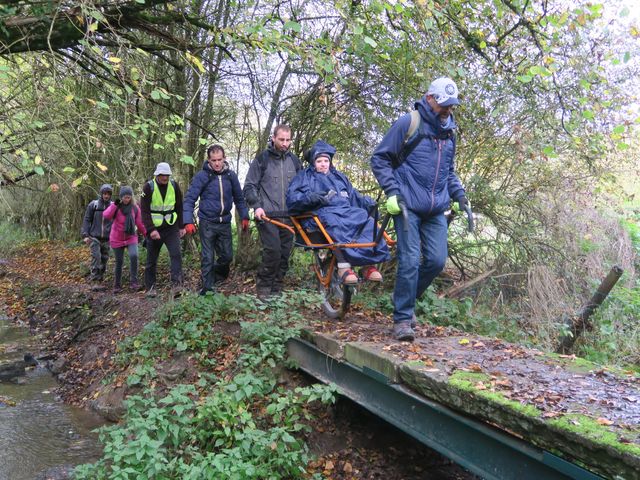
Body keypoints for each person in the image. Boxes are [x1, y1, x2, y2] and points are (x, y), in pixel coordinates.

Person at [370, 77, 469, 342]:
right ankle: (403, 319)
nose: (448, 109)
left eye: (452, 104)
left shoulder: (450, 132)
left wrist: (458, 194)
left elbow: (449, 171)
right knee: (410, 260)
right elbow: (379, 158)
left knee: (436, 261)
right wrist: (392, 191)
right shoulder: (408, 123)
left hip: (436, 207)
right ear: (429, 99)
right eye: (443, 103)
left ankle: (404, 297)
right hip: (407, 206)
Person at [286, 140, 390, 284]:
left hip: (344, 211)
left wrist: (368, 202)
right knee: (334, 221)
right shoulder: (304, 177)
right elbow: (292, 199)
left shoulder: (340, 177)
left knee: (366, 220)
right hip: (320, 214)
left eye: (326, 160)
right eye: (319, 161)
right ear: (313, 162)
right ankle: (343, 266)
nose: (323, 164)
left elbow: (354, 196)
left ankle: (368, 266)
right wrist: (310, 198)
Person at [243, 125, 302, 300]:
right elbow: (249, 186)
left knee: (284, 255)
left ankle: (277, 288)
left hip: (289, 217)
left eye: (288, 140)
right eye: (281, 139)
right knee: (273, 252)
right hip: (267, 216)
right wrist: (256, 206)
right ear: (273, 138)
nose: (285, 143)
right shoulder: (262, 159)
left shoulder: (295, 161)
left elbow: (302, 187)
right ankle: (264, 288)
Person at [183, 145, 250, 295]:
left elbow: (239, 198)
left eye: (220, 159)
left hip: (225, 222)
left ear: (224, 158)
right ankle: (207, 289)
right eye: (214, 160)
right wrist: (187, 221)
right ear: (209, 160)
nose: (217, 163)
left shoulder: (230, 176)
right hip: (207, 222)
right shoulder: (202, 176)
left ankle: (216, 276)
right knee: (207, 257)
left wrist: (245, 216)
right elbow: (189, 199)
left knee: (227, 256)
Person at [140, 162, 186, 295]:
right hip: (154, 229)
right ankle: (150, 288)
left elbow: (179, 206)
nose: (165, 178)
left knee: (176, 254)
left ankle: (177, 286)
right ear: (157, 175)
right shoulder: (148, 187)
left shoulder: (174, 186)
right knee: (151, 260)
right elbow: (144, 211)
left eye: (167, 175)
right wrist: (151, 229)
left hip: (171, 227)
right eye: (162, 175)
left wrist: (181, 226)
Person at [103, 186, 147, 293]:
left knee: (134, 255)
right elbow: (106, 215)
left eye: (128, 197)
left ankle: (134, 283)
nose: (126, 199)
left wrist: (147, 234)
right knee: (119, 261)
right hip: (116, 238)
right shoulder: (116, 206)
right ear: (121, 197)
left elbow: (140, 223)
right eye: (124, 197)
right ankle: (117, 285)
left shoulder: (135, 208)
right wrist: (115, 205)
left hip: (131, 236)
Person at [81, 184, 113, 283]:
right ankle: (94, 279)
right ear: (101, 193)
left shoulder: (113, 206)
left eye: (108, 194)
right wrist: (85, 235)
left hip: (107, 238)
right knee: (96, 257)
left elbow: (118, 221)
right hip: (94, 237)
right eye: (104, 193)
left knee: (104, 258)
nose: (106, 196)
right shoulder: (93, 205)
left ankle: (100, 278)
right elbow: (87, 220)